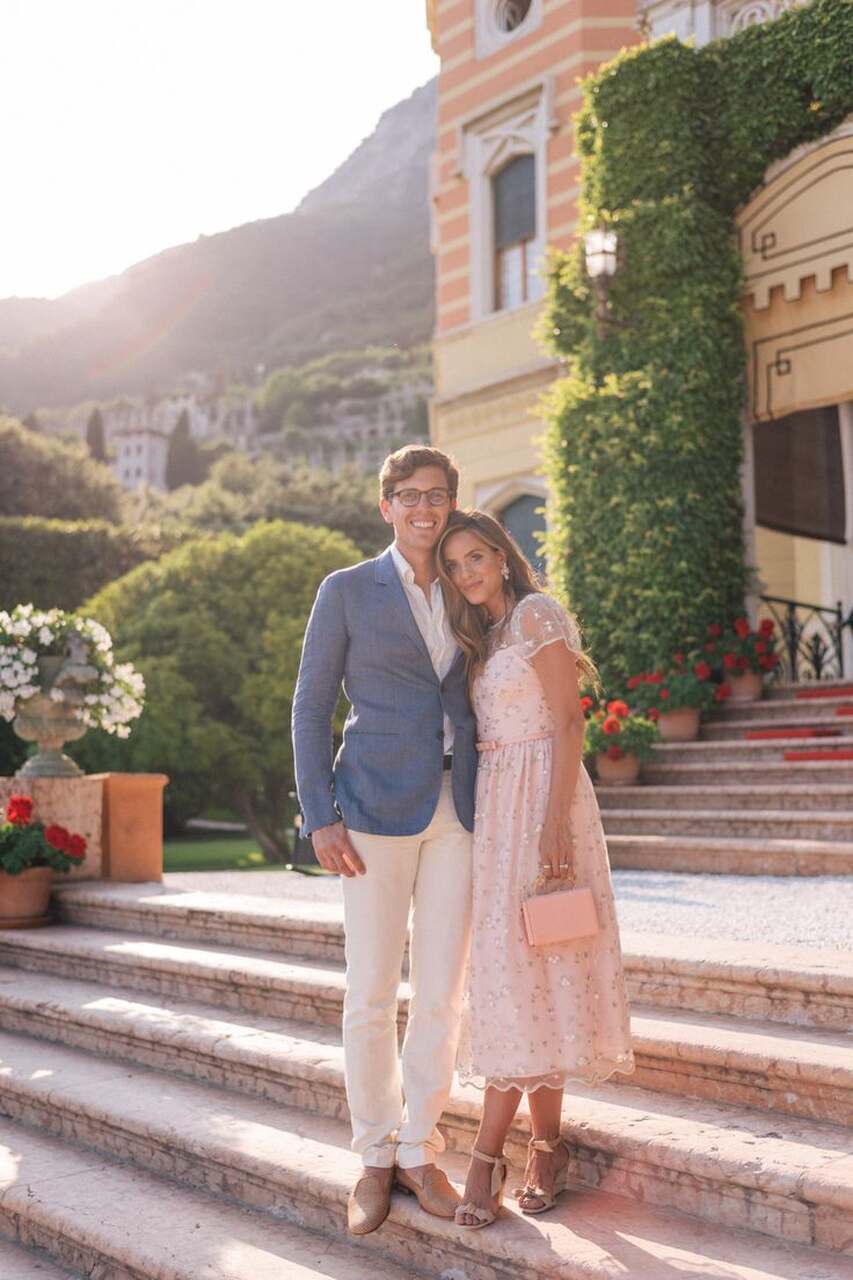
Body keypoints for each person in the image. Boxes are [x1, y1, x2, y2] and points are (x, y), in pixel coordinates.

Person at [292, 446, 477, 1237]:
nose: (423, 509)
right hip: (368, 807)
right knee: (370, 989)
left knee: (441, 991)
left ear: (450, 503)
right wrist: (318, 814)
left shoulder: (474, 584)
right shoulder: (345, 590)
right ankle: (372, 1154)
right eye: (409, 496)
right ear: (386, 506)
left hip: (459, 807)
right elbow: (308, 706)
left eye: (436, 495)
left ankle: (418, 1148)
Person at [436, 509, 634, 1230]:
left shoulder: (534, 614)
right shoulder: (479, 635)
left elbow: (569, 722)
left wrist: (552, 825)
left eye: (475, 557)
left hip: (544, 807)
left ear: (500, 554)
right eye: (453, 565)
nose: (466, 573)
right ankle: (546, 1148)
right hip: (497, 810)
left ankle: (487, 1160)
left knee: (532, 971)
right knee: (521, 977)